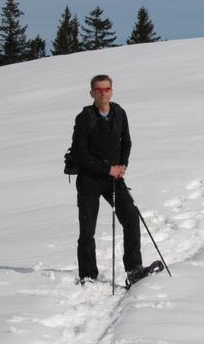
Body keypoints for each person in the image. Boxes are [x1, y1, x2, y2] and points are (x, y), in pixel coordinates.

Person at [71, 74, 144, 285]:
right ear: (91, 93)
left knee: (131, 217)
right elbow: (80, 153)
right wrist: (108, 169)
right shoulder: (84, 118)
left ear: (111, 91)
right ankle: (87, 275)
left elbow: (126, 142)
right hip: (89, 179)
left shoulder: (119, 113)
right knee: (87, 229)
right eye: (98, 90)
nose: (103, 93)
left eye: (106, 89)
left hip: (113, 178)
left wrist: (122, 166)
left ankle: (134, 269)